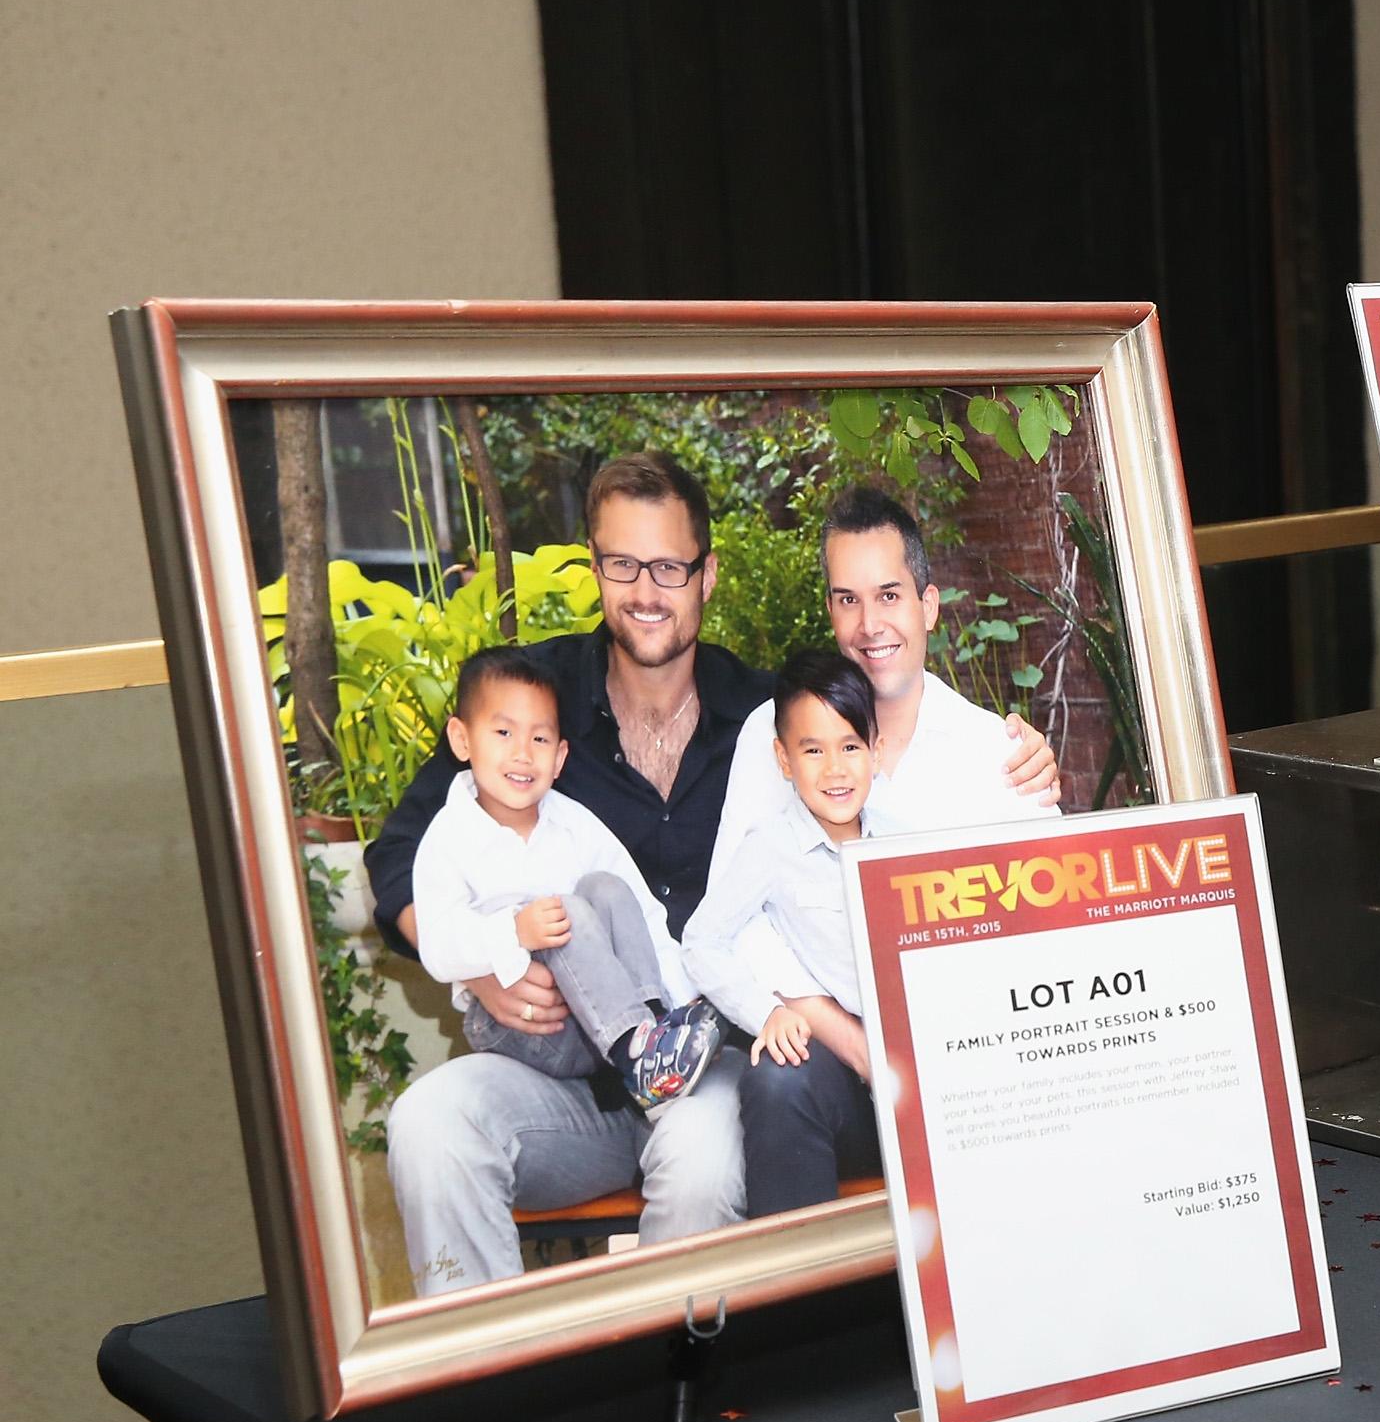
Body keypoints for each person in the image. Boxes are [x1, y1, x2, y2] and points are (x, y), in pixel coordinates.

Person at [366, 452, 1061, 1296]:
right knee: (429, 1126)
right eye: (623, 565)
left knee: (701, 1163)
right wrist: (482, 961)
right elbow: (399, 855)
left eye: (669, 567)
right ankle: (488, 1381)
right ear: (595, 570)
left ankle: (686, 1391)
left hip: (698, 1069)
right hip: (552, 1072)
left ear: (707, 576)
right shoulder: (531, 707)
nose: (646, 590)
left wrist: (1023, 759)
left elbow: (848, 793)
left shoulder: (767, 720)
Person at [708, 486, 1058, 1215]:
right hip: (834, 1060)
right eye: (846, 600)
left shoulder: (996, 753)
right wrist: (857, 1044)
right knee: (776, 1081)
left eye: (889, 595)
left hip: (967, 1070)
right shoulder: (767, 741)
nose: (870, 625)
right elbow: (735, 929)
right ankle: (806, 1315)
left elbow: (1041, 935)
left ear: (928, 605)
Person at [410, 646, 726, 1106]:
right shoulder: (448, 839)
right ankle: (638, 1058)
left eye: (539, 740)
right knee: (570, 912)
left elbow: (641, 910)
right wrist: (513, 932)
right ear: (461, 740)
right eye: (503, 732)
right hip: (521, 1022)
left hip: (594, 1016)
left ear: (559, 758)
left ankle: (656, 1033)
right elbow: (438, 950)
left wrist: (686, 997)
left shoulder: (575, 824)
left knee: (607, 888)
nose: (522, 754)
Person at [683, 649, 885, 1217]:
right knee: (776, 1079)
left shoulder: (904, 840)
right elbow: (702, 940)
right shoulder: (771, 849)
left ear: (877, 748)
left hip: (922, 1065)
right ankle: (802, 1290)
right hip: (843, 1075)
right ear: (783, 759)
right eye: (812, 750)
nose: (835, 769)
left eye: (850, 746)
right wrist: (764, 1011)